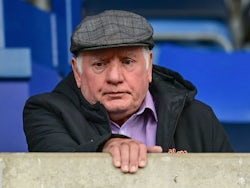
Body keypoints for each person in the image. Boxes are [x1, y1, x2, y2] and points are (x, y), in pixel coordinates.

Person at [23, 10, 233, 174]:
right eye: (99, 64)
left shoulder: (197, 117)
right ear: (77, 73)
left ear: (149, 66)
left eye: (127, 62)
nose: (115, 77)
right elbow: (54, 166)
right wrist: (106, 146)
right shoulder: (45, 111)